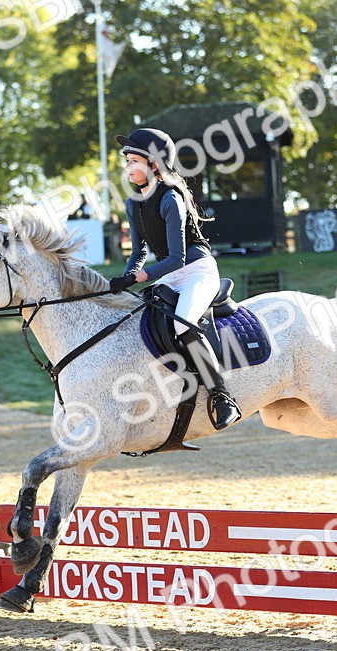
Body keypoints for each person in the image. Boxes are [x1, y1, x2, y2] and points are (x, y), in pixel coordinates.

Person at [108, 127, 242, 430]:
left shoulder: (171, 199)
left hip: (197, 272)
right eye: (126, 161)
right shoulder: (133, 203)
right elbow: (139, 251)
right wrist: (128, 275)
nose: (128, 167)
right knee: (139, 317)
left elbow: (176, 258)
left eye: (133, 161)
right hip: (169, 275)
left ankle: (222, 397)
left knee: (183, 323)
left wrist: (139, 277)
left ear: (154, 164)